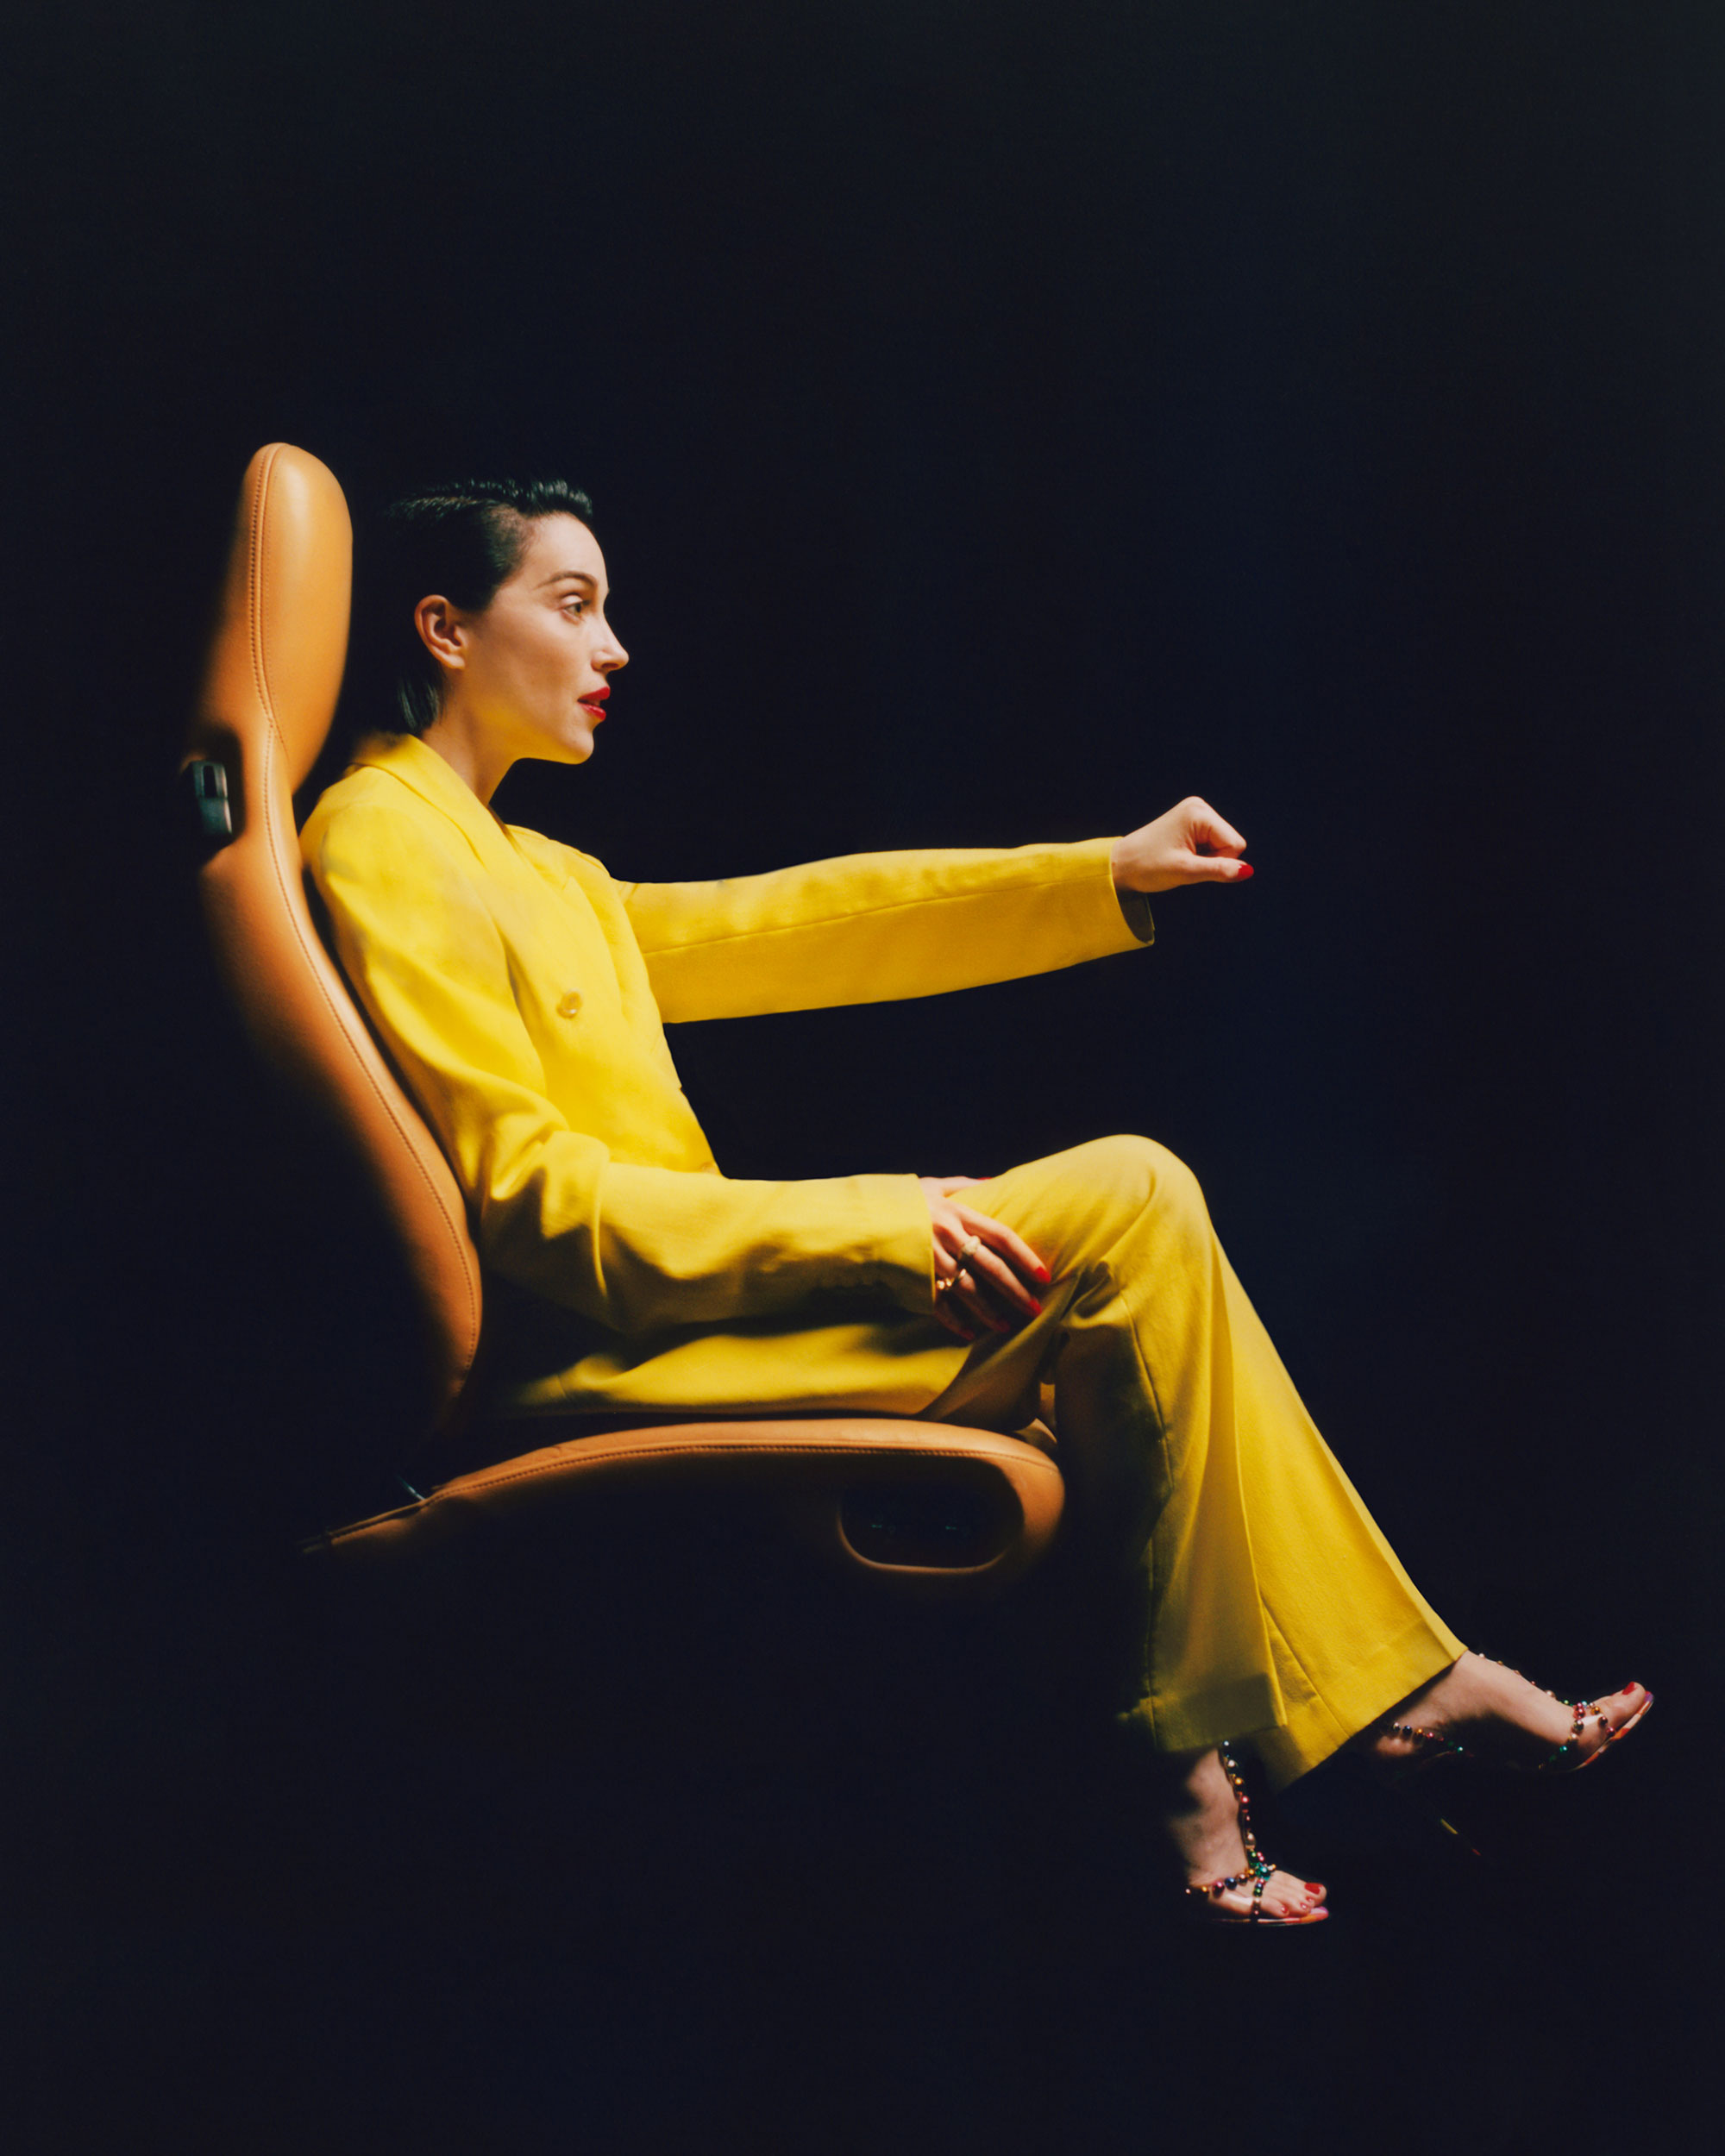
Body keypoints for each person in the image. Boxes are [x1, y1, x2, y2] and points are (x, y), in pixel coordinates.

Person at [302, 477, 1651, 1927]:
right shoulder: (381, 832)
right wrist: (881, 1229)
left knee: (1141, 1255)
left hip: (692, 1317)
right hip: (612, 1350)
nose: (615, 645)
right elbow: (530, 1202)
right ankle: (1323, 1720)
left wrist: (1101, 872)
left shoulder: (538, 867)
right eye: (574, 606)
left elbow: (808, 921)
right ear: (445, 628)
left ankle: (1282, 1739)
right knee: (1133, 1193)